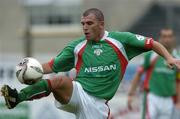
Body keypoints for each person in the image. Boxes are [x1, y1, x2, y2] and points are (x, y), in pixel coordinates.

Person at [1, 8, 180, 119]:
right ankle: (18, 97)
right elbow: (52, 66)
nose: (85, 27)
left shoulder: (121, 40)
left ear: (101, 24)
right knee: (59, 81)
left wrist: (169, 58)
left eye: (89, 23)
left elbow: (151, 43)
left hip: (98, 104)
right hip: (79, 92)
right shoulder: (77, 46)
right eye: (82, 23)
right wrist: (31, 69)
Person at [127, 28, 180, 119]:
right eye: (164, 36)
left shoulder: (177, 57)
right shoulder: (150, 55)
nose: (167, 39)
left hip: (169, 100)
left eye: (170, 36)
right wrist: (131, 94)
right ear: (159, 38)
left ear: (174, 38)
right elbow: (138, 74)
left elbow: (178, 81)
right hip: (152, 97)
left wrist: (178, 101)